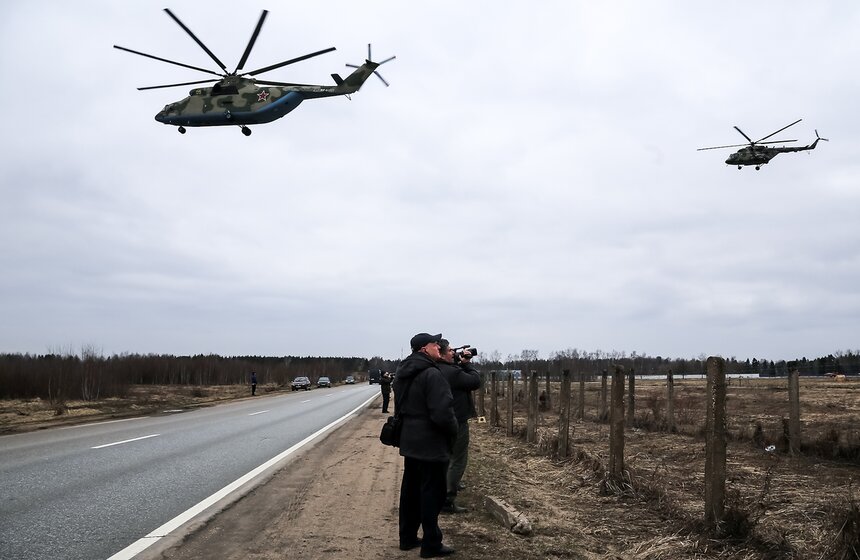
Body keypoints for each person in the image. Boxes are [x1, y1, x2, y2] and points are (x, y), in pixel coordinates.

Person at [393, 332, 458, 558]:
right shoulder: (432, 374)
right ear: (423, 348)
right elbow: (442, 413)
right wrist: (453, 431)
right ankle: (432, 543)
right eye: (434, 343)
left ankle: (407, 537)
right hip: (431, 442)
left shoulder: (403, 372)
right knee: (433, 493)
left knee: (410, 491)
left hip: (410, 440)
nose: (438, 346)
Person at [436, 340, 481, 514]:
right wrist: (467, 364)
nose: (453, 353)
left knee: (446, 457)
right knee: (458, 459)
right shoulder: (452, 372)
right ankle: (448, 499)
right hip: (457, 420)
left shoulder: (435, 369)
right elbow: (475, 381)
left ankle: (441, 493)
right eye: (450, 351)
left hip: (443, 419)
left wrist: (458, 363)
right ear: (441, 353)